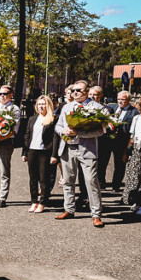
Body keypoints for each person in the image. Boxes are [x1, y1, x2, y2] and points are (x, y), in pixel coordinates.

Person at [54, 81, 104, 227]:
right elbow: (58, 125)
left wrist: (79, 132)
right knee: (68, 181)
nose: (75, 93)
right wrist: (63, 131)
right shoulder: (67, 107)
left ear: (87, 91)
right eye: (73, 90)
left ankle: (96, 214)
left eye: (79, 90)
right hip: (68, 148)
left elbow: (100, 130)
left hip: (87, 149)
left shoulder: (96, 107)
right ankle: (69, 209)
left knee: (91, 182)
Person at [21, 95, 59, 213]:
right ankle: (34, 202)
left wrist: (54, 155)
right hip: (32, 150)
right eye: (39, 104)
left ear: (48, 105)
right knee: (33, 178)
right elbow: (27, 136)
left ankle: (43, 202)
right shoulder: (32, 119)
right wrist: (24, 152)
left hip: (45, 152)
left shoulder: (53, 118)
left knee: (44, 178)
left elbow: (55, 138)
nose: (41, 106)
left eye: (43, 104)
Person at [110, 91, 139, 191]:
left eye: (123, 99)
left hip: (122, 141)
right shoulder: (112, 108)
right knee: (102, 162)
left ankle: (116, 185)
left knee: (119, 164)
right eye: (119, 99)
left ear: (128, 100)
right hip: (109, 140)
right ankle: (101, 182)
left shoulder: (134, 112)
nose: (120, 101)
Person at [89, 86, 115, 188]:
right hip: (89, 139)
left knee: (102, 162)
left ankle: (101, 180)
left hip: (103, 140)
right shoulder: (83, 108)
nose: (92, 97)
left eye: (95, 94)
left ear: (100, 96)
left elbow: (112, 125)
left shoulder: (108, 109)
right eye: (90, 94)